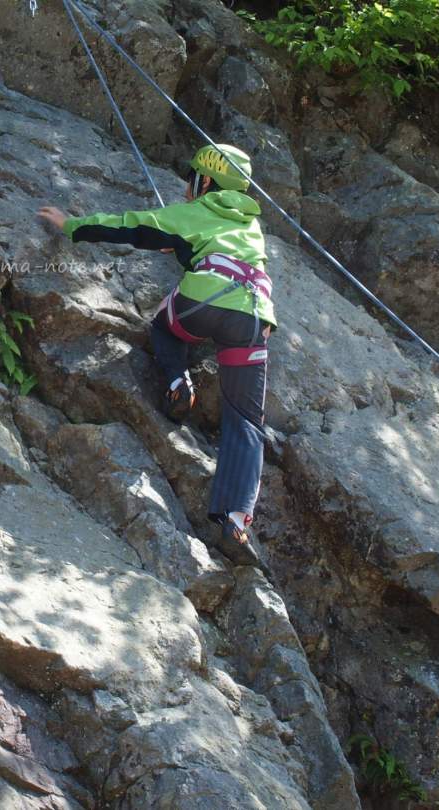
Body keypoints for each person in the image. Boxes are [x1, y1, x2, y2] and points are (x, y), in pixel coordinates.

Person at [37, 144, 276, 567]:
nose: (186, 187)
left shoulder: (193, 212)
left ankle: (175, 380)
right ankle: (236, 516)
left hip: (203, 301)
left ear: (206, 181)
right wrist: (184, 248)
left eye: (191, 178)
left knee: (166, 327)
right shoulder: (251, 225)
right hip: (254, 316)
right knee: (245, 419)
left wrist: (73, 226)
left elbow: (135, 226)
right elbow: (218, 244)